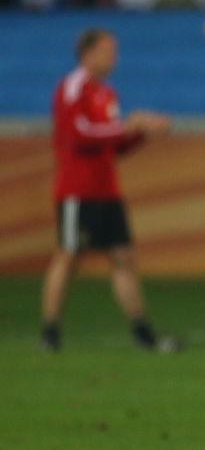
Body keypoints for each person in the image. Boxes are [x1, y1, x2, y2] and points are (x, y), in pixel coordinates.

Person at [41, 29, 175, 352]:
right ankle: (50, 331)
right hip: (78, 189)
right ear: (87, 54)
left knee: (123, 256)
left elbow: (112, 146)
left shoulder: (107, 93)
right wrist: (128, 125)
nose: (114, 58)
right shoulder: (73, 87)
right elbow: (80, 134)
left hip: (107, 189)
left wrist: (142, 133)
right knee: (69, 256)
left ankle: (143, 333)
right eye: (108, 51)